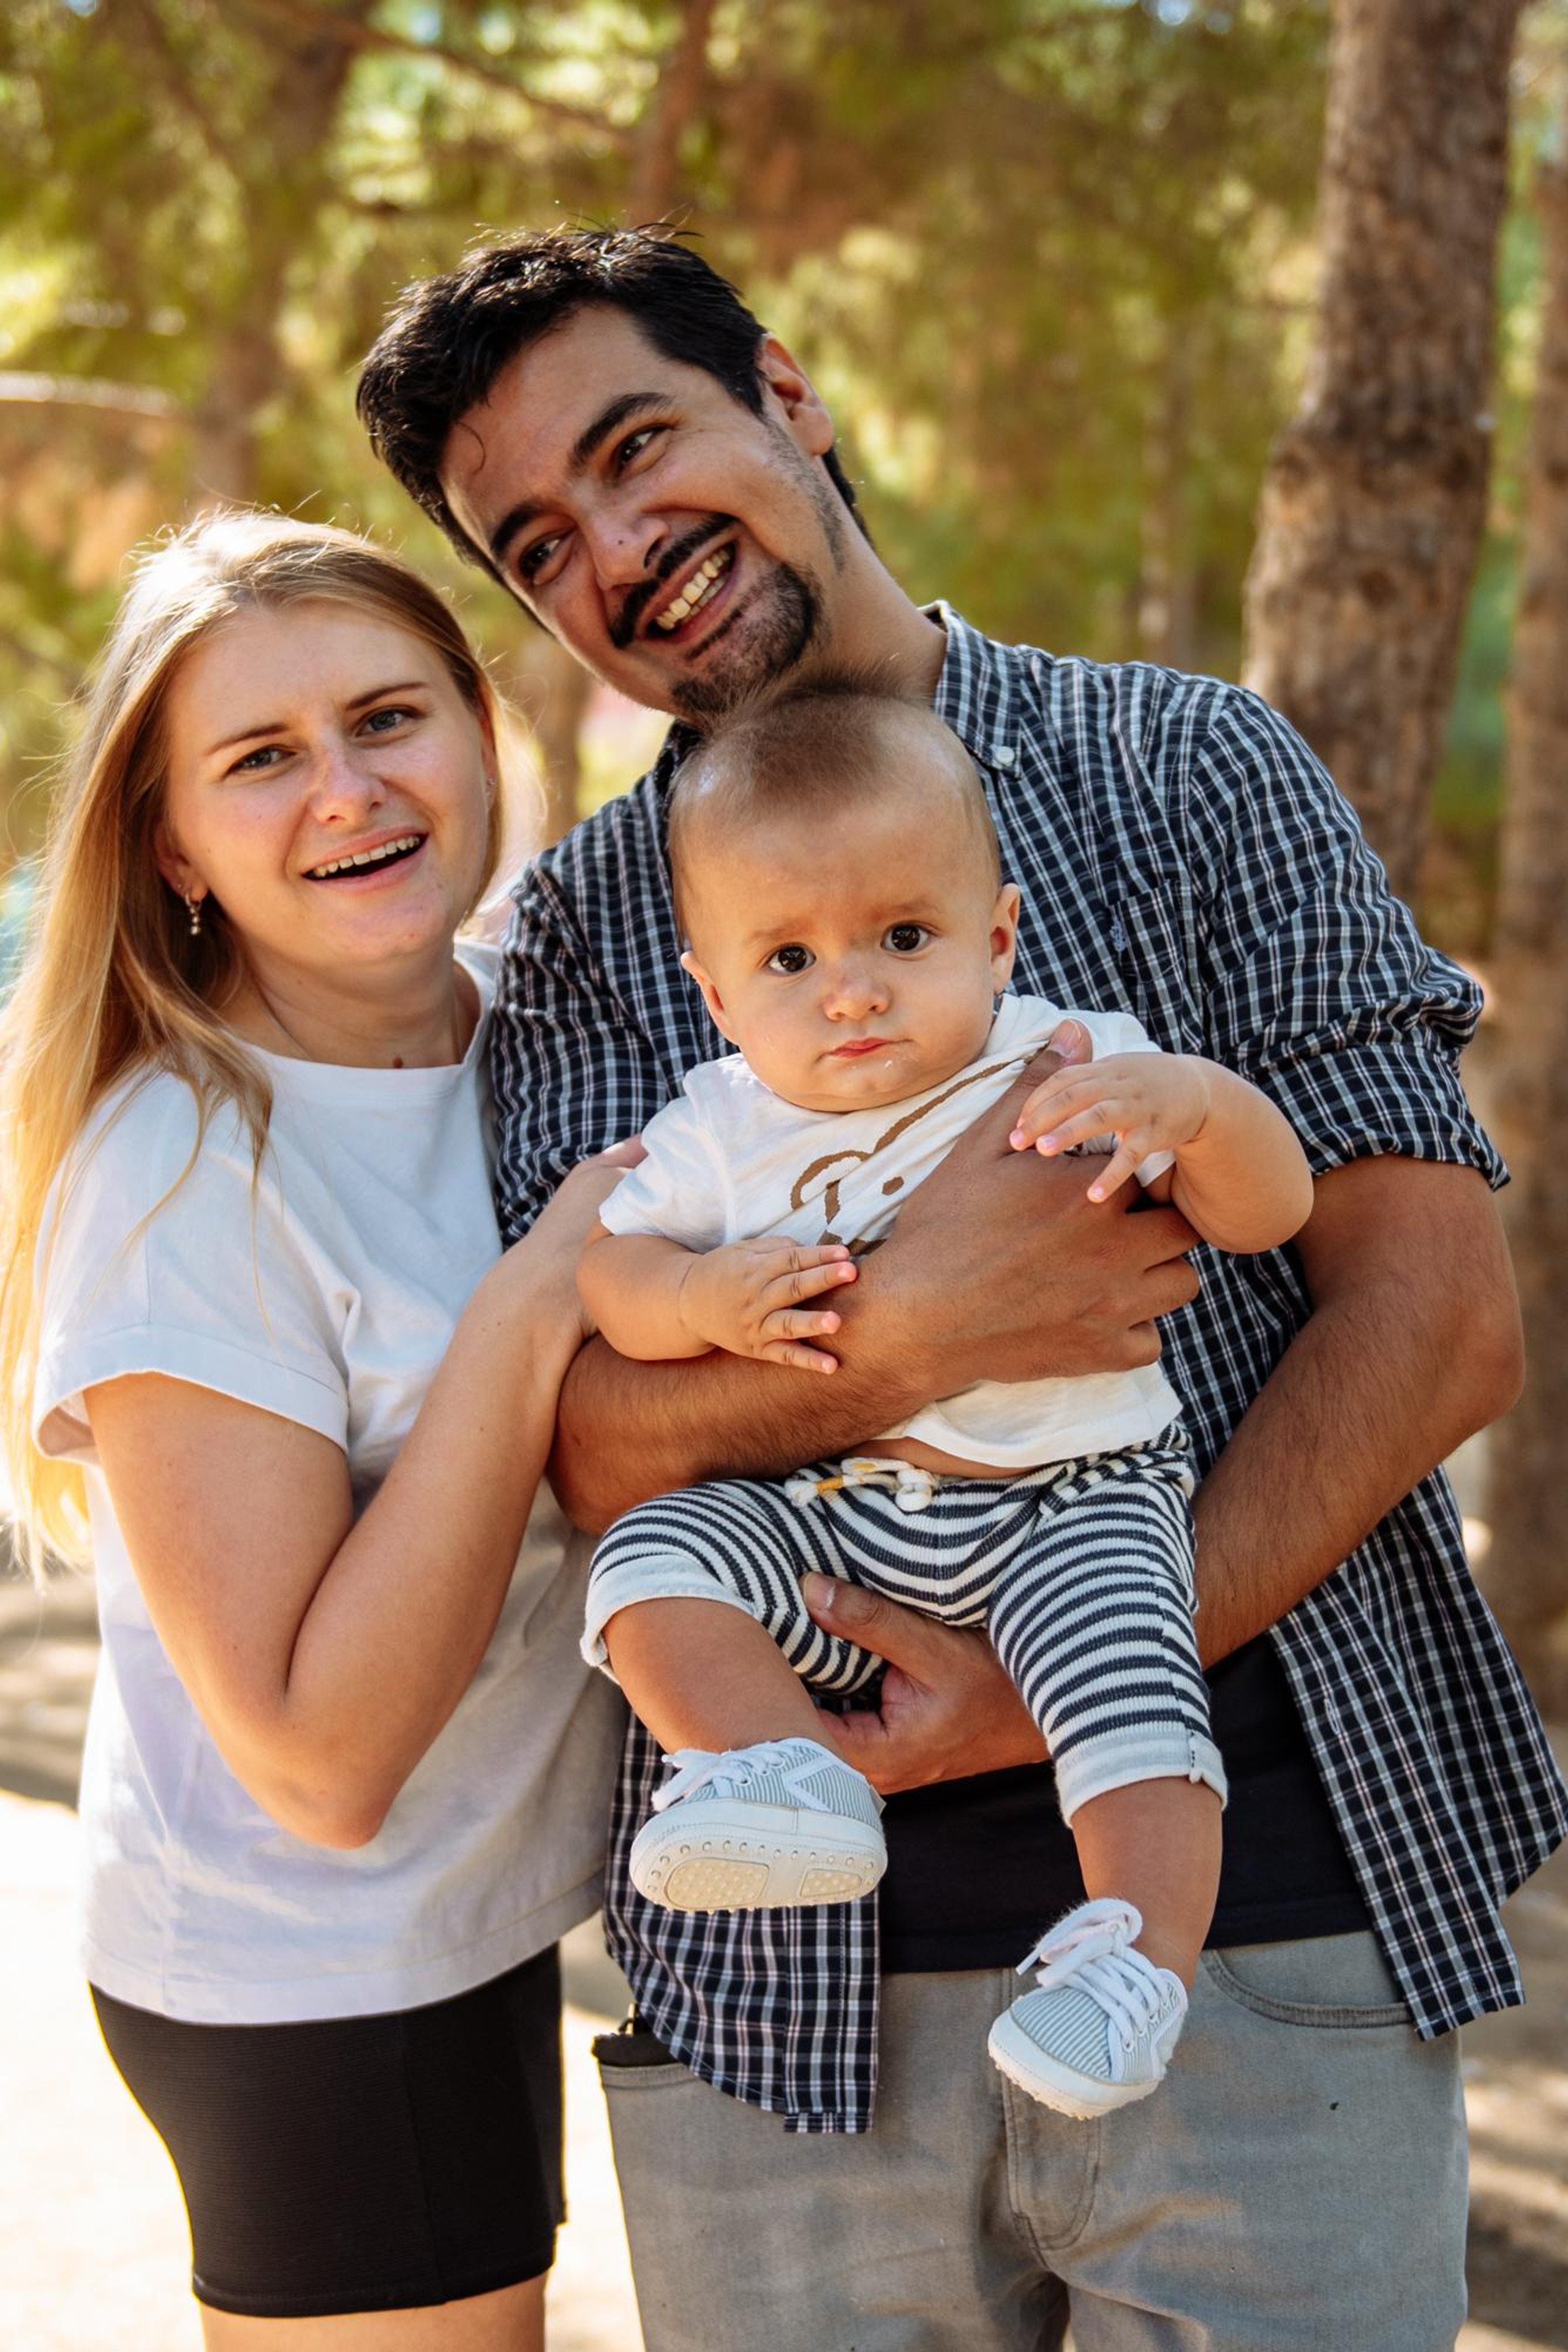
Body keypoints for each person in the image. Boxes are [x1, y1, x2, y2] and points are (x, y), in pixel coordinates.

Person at [356, 228, 1568, 2351]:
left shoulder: (1193, 769)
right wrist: (917, 1326)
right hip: (782, 2016)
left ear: (794, 391)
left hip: (1256, 1938)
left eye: (644, 448)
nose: (621, 553)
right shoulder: (567, 937)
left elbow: (1440, 1311)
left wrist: (1055, 1684)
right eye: (540, 542)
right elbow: (586, 1443)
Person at [0, 511, 631, 2351]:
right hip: (320, 1980)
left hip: (479, 1913)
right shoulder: (186, 1166)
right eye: (260, 759)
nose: (345, 790)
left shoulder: (543, 1020)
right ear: (172, 839)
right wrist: (529, 1319)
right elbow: (316, 1763)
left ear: (478, 728)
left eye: (387, 718)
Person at [578, 679, 1314, 2123]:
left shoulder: (1064, 1058)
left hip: (1070, 1505)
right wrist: (693, 1302)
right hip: (831, 1518)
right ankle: (777, 1771)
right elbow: (612, 1274)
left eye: (902, 939)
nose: (848, 990)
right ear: (716, 994)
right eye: (786, 958)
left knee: (1132, 1696)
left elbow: (1265, 1212)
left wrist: (1203, 1113)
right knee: (647, 1568)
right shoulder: (722, 1122)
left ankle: (1131, 1973)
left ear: (994, 939)